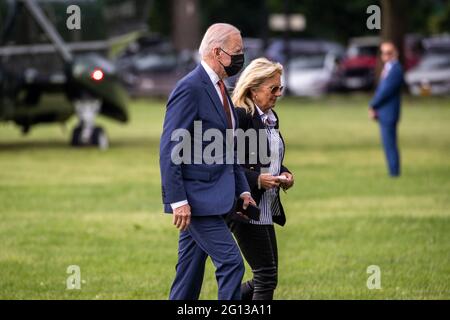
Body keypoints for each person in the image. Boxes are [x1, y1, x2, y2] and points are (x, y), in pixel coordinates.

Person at [159, 23, 256, 300]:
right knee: (232, 263)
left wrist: (243, 190)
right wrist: (178, 200)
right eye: (237, 51)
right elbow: (170, 148)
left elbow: (227, 150)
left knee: (188, 276)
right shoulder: (190, 88)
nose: (241, 57)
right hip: (197, 202)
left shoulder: (220, 88)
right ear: (217, 51)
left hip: (217, 199)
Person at [230, 57, 294, 300]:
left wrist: (284, 173)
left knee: (264, 276)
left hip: (265, 207)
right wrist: (257, 180)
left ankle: (228, 298)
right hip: (246, 206)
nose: (278, 93)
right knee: (266, 276)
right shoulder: (241, 117)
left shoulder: (270, 117)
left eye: (280, 88)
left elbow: (268, 157)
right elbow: (227, 165)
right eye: (273, 89)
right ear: (253, 89)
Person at [369, 41, 404, 177]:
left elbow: (385, 91)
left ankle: (394, 173)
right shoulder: (388, 68)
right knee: (388, 144)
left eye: (389, 52)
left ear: (395, 53)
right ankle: (393, 171)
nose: (386, 55)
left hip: (389, 113)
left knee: (390, 144)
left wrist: (373, 105)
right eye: (383, 52)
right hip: (384, 112)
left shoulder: (395, 69)